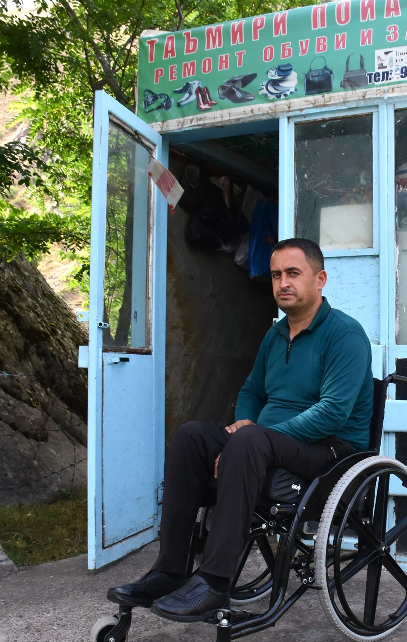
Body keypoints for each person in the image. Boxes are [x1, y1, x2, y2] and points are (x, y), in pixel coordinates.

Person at [108, 237, 373, 622]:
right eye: (276, 274)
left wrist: (255, 435)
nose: (283, 282)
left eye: (293, 273)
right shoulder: (275, 335)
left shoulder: (345, 335)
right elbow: (251, 391)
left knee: (248, 439)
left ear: (320, 279)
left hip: (330, 453)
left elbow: (332, 413)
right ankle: (169, 571)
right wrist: (244, 431)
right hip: (268, 444)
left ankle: (214, 582)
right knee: (191, 436)